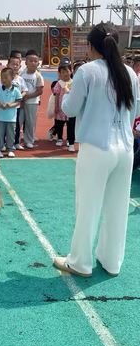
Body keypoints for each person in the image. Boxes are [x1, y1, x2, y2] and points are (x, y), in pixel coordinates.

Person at [54, 23, 140, 277]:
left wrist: (67, 93)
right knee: (117, 207)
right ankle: (111, 262)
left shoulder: (87, 72)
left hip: (96, 147)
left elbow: (69, 109)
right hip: (125, 149)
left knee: (88, 205)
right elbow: (133, 112)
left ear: (91, 46)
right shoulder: (130, 73)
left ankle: (80, 262)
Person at [0, 68, 23, 158]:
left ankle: (10, 149)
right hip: (0, 117)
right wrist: (0, 105)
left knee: (11, 134)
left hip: (11, 118)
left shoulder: (16, 90)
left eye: (6, 78)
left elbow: (19, 101)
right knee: (0, 134)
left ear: (12, 78)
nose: (3, 80)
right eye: (2, 78)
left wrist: (12, 104)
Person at [20, 50, 44, 149]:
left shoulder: (38, 76)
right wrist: (21, 99)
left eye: (36, 61)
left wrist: (27, 97)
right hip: (21, 102)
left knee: (30, 122)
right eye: (31, 61)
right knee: (18, 121)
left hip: (32, 102)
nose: (33, 63)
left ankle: (29, 140)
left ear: (38, 63)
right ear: (26, 63)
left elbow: (40, 91)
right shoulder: (22, 74)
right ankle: (15, 140)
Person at [53, 65, 75, 152]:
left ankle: (70, 139)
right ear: (60, 74)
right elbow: (57, 95)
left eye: (67, 71)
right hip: (61, 107)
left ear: (71, 71)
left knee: (71, 125)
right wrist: (56, 106)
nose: (65, 74)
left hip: (70, 107)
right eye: (63, 72)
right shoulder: (59, 83)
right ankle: (60, 138)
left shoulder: (74, 82)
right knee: (59, 123)